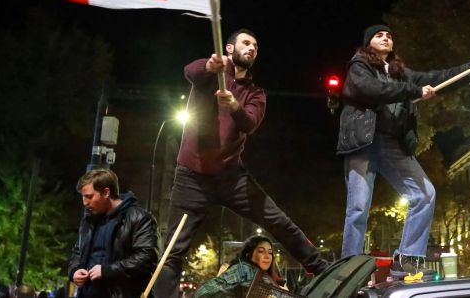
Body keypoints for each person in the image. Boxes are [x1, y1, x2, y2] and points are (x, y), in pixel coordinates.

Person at [155, 29, 328, 298]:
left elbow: (250, 123)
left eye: (255, 47)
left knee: (278, 220)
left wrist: (235, 105)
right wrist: (210, 65)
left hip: (230, 177)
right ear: (228, 49)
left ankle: (321, 268)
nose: (252, 49)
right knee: (172, 250)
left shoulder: (256, 93)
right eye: (246, 43)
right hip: (191, 178)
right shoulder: (211, 74)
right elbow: (190, 71)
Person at [337, 24, 470, 278]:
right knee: (358, 207)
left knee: (425, 194)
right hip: (363, 143)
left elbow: (436, 78)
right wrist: (414, 91)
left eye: (389, 35)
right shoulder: (359, 66)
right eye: (379, 35)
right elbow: (372, 90)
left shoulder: (401, 73)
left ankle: (406, 266)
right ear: (368, 43)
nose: (386, 37)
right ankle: (348, 272)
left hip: (391, 145)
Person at [67, 169, 158, 298]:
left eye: (89, 196)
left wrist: (107, 270)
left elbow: (146, 258)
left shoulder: (139, 218)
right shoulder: (89, 220)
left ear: (106, 192)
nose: (85, 202)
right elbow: (77, 252)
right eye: (83, 196)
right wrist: (74, 271)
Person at [195, 236, 284, 298]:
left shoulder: (266, 276)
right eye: (261, 251)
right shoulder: (243, 269)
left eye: (270, 252)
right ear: (248, 254)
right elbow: (202, 292)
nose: (267, 256)